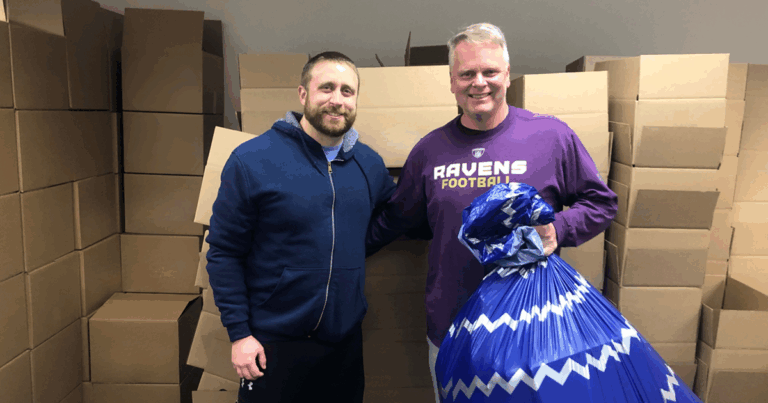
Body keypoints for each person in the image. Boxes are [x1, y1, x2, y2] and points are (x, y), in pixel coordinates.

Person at [366, 23, 618, 402]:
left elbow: (601, 203)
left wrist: (559, 228)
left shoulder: (551, 136)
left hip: (531, 328)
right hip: (452, 327)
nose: (478, 83)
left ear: (507, 76)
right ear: (451, 81)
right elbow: (399, 219)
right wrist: (338, 246)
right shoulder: (429, 151)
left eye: (490, 72)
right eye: (466, 73)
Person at [206, 51, 396, 403]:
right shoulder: (253, 160)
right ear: (303, 94)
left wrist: (355, 245)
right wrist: (239, 335)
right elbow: (223, 253)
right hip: (270, 345)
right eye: (326, 88)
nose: (337, 100)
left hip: (344, 345)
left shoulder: (368, 164)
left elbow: (397, 213)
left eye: (346, 91)